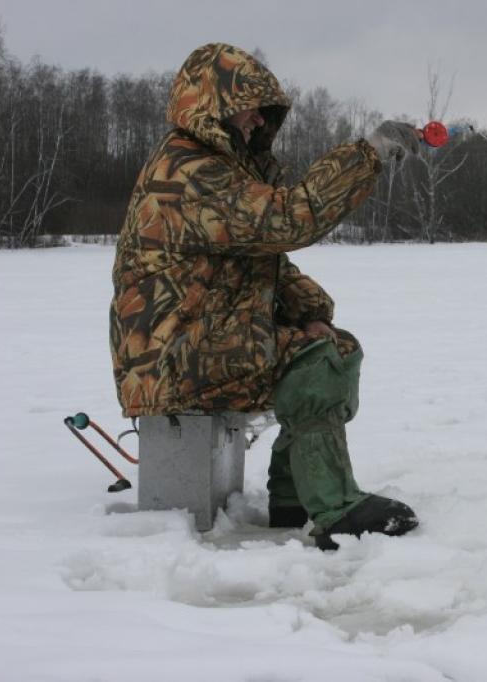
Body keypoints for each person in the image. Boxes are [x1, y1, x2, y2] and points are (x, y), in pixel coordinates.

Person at [109, 43, 420, 550]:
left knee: (332, 347)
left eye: (262, 109)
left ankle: (294, 498)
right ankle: (334, 507)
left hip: (202, 343)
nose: (257, 119)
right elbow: (285, 220)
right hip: (169, 360)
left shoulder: (217, 166)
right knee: (317, 361)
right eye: (248, 106)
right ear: (212, 104)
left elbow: (261, 257)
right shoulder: (188, 173)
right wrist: (368, 155)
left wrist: (310, 311)